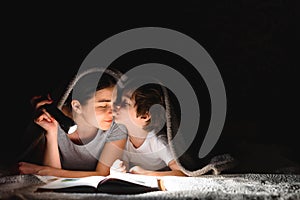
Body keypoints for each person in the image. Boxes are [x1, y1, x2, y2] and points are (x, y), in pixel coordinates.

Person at [18, 67, 128, 178]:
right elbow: (52, 179)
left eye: (115, 104)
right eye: (103, 106)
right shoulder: (52, 118)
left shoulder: (117, 125)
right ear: (77, 106)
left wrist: (40, 170)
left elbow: (102, 174)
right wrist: (51, 132)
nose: (113, 112)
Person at [111, 81, 186, 176]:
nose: (117, 106)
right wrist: (117, 169)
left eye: (125, 104)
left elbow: (181, 172)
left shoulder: (158, 142)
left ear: (145, 116)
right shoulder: (123, 140)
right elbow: (124, 168)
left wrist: (147, 174)